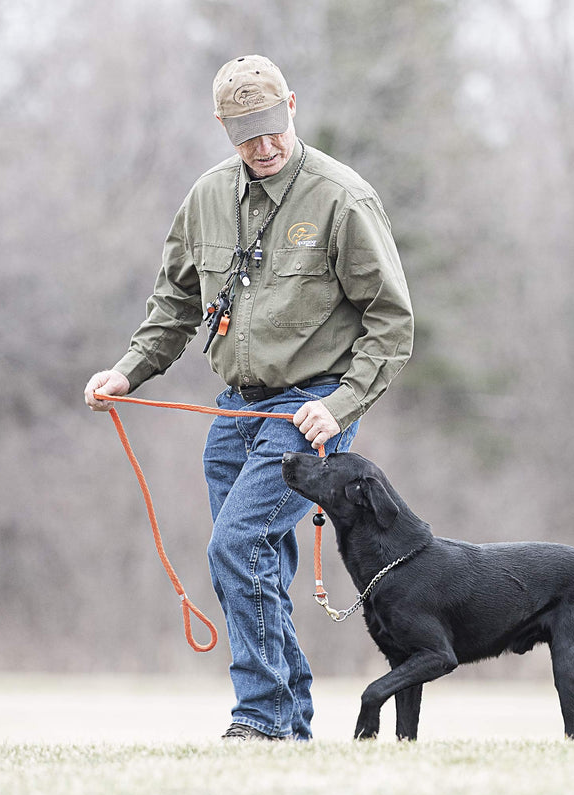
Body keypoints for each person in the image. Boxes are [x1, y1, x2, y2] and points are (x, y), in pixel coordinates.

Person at [84, 55, 414, 741]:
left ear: (291, 106)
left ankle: (260, 718)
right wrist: (128, 371)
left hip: (310, 408)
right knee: (252, 561)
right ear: (222, 126)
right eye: (245, 135)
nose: (262, 147)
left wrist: (344, 404)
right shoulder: (206, 197)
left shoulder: (340, 197)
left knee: (236, 544)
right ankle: (287, 722)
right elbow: (175, 300)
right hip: (236, 408)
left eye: (271, 129)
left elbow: (391, 320)